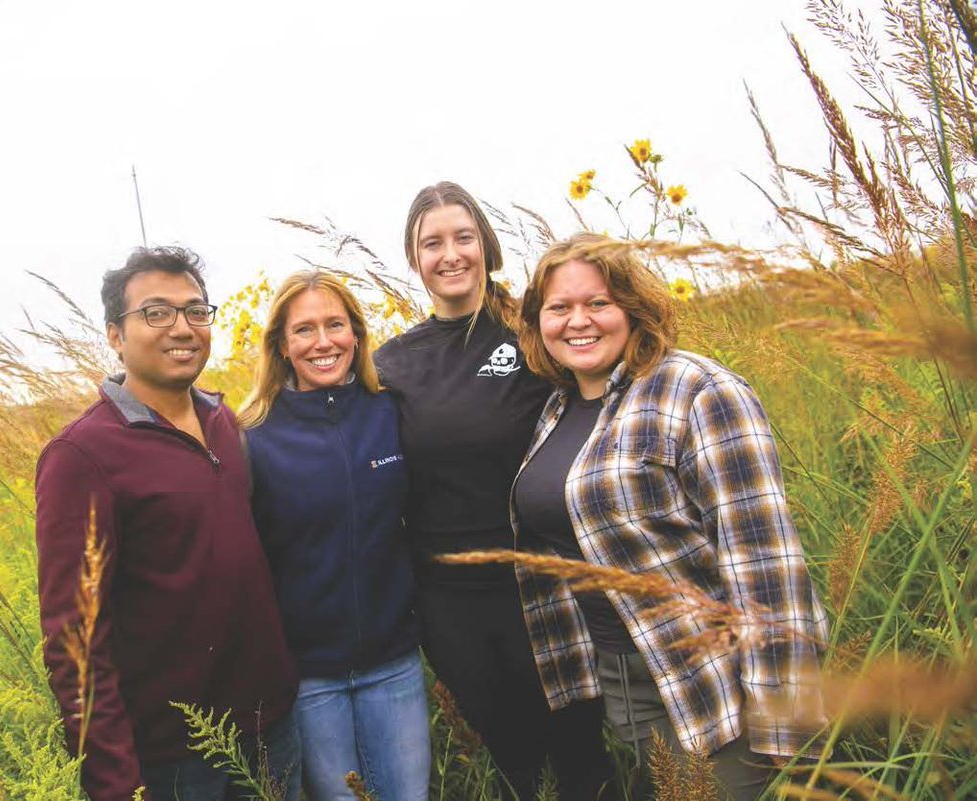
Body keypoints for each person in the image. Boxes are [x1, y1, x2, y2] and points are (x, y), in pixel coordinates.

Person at [514, 232, 828, 800]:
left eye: (598, 304)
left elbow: (763, 560)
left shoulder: (698, 390)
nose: (577, 321)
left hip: (712, 676)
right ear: (538, 324)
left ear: (634, 309)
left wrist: (783, 709)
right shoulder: (557, 410)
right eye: (558, 308)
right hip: (622, 674)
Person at [35, 246, 301, 801]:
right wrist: (115, 784)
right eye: (156, 313)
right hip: (178, 758)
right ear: (114, 335)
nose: (182, 327)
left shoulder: (223, 420)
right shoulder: (82, 456)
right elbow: (75, 644)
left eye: (196, 311)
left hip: (271, 726)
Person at [374, 182, 612, 800]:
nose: (450, 254)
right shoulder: (391, 364)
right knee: (514, 763)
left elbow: (605, 399)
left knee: (583, 759)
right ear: (414, 257)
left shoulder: (538, 333)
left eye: (464, 237)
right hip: (449, 598)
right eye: (433, 243)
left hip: (547, 581)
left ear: (486, 245)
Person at [238, 270, 430, 800]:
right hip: (309, 678)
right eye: (304, 330)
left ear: (357, 334)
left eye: (335, 325)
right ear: (281, 344)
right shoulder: (253, 435)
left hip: (394, 666)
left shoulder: (391, 412)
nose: (323, 342)